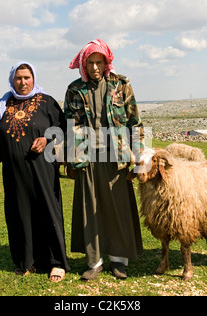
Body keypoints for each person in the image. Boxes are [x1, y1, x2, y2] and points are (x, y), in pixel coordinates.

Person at [64, 39, 144, 281]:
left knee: (117, 208)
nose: (95, 67)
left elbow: (134, 123)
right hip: (87, 157)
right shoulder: (74, 89)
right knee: (91, 209)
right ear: (83, 64)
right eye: (90, 62)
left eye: (99, 62)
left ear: (107, 61)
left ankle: (119, 260)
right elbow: (70, 126)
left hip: (117, 158)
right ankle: (94, 261)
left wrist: (140, 159)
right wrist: (70, 160)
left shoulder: (121, 86)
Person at [0, 61, 70, 282]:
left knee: (48, 211)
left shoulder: (46, 102)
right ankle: (26, 261)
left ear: (34, 78)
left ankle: (56, 263)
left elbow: (63, 128)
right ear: (12, 80)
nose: (23, 82)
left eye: (27, 78)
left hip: (43, 170)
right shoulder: (3, 105)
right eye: (18, 78)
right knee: (19, 214)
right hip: (14, 174)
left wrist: (46, 138)